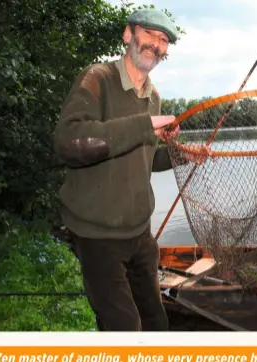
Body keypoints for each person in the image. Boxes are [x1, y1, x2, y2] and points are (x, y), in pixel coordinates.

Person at [54, 9, 211, 332]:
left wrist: (181, 156)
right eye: (150, 34)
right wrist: (144, 126)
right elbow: (69, 142)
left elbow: (145, 157)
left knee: (156, 322)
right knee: (123, 329)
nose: (156, 44)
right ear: (128, 35)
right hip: (98, 234)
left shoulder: (153, 97)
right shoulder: (97, 78)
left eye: (163, 39)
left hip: (139, 234)